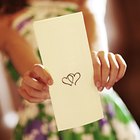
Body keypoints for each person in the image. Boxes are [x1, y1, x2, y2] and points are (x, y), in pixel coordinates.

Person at [0, 0, 140, 140]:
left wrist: (100, 63)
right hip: (44, 122)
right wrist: (37, 81)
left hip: (97, 108)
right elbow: (16, 48)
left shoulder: (85, 3)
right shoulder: (5, 19)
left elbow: (94, 34)